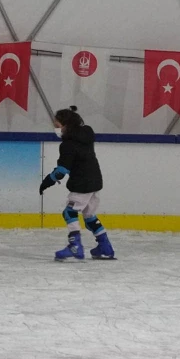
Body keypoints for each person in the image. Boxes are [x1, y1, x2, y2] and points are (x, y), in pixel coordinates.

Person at [39, 106, 114, 261]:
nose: (56, 129)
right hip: (95, 181)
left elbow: (61, 170)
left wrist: (47, 181)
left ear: (66, 125)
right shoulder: (86, 133)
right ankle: (105, 247)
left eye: (57, 126)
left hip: (81, 183)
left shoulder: (67, 145)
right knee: (89, 215)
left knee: (69, 212)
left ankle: (75, 246)